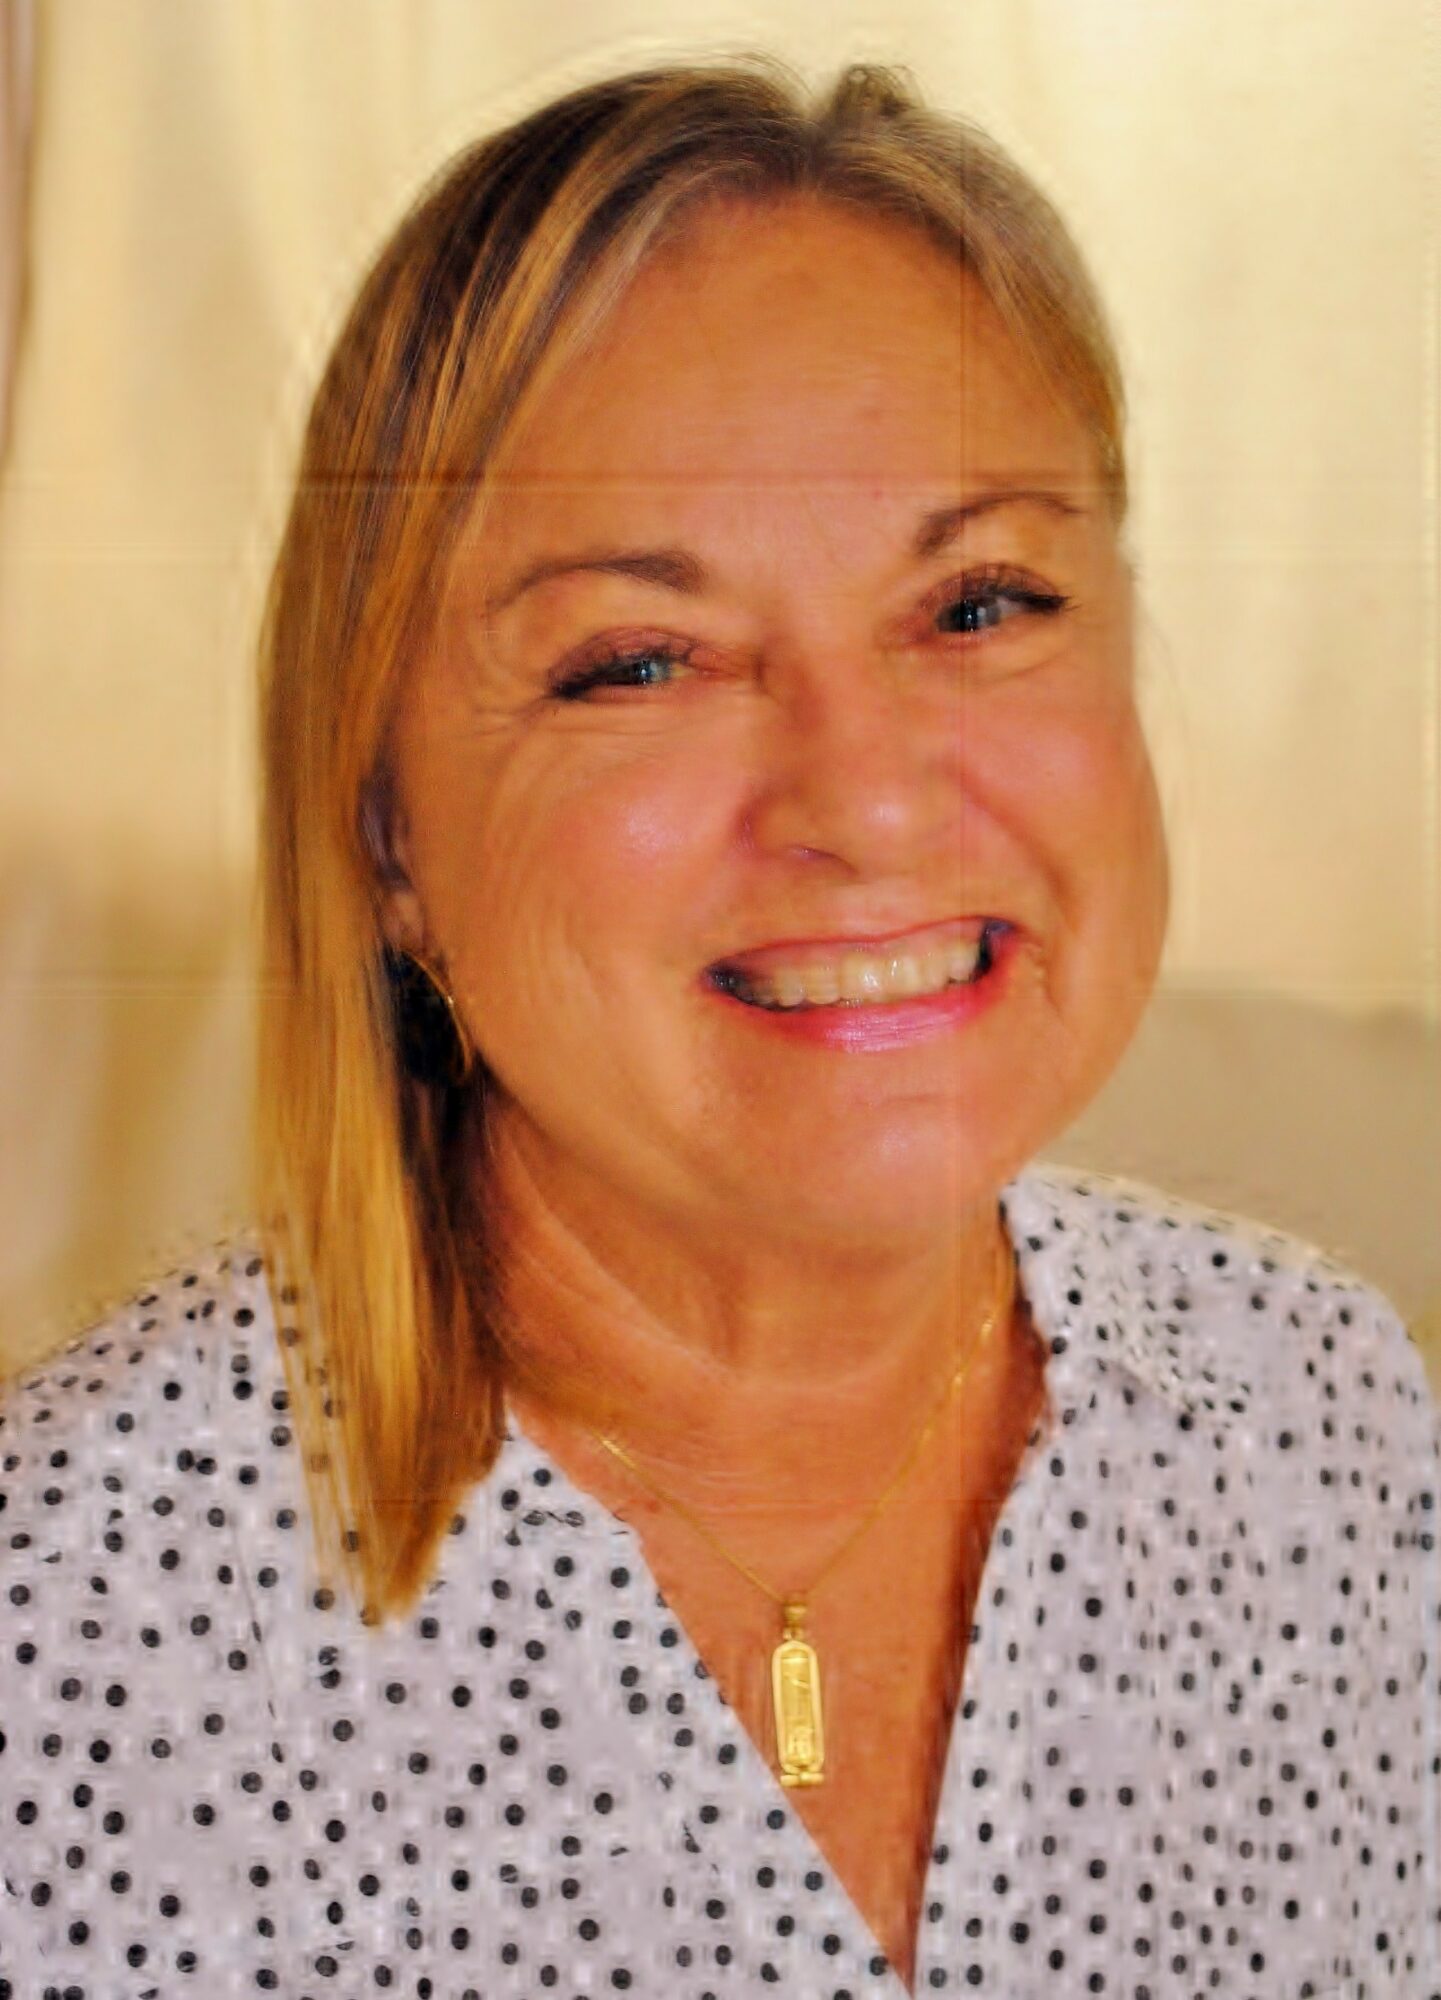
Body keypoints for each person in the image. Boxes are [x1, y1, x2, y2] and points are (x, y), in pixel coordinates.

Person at [1, 55, 1436, 1999]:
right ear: (387, 834)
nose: (868, 801)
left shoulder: (1327, 1426)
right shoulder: (69, 1630)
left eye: (979, 604)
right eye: (640, 661)